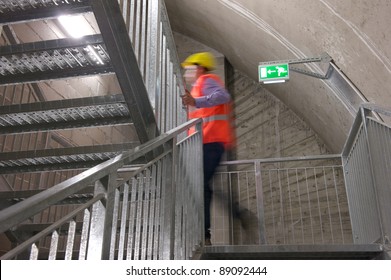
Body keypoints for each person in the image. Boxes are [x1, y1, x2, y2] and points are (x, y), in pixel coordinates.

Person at [181, 52, 235, 246]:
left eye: (190, 68)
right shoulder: (197, 87)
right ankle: (206, 230)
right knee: (201, 186)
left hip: (211, 142)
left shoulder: (206, 79)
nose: (187, 72)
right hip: (204, 143)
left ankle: (204, 234)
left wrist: (196, 101)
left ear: (200, 67)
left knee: (201, 186)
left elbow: (223, 96)